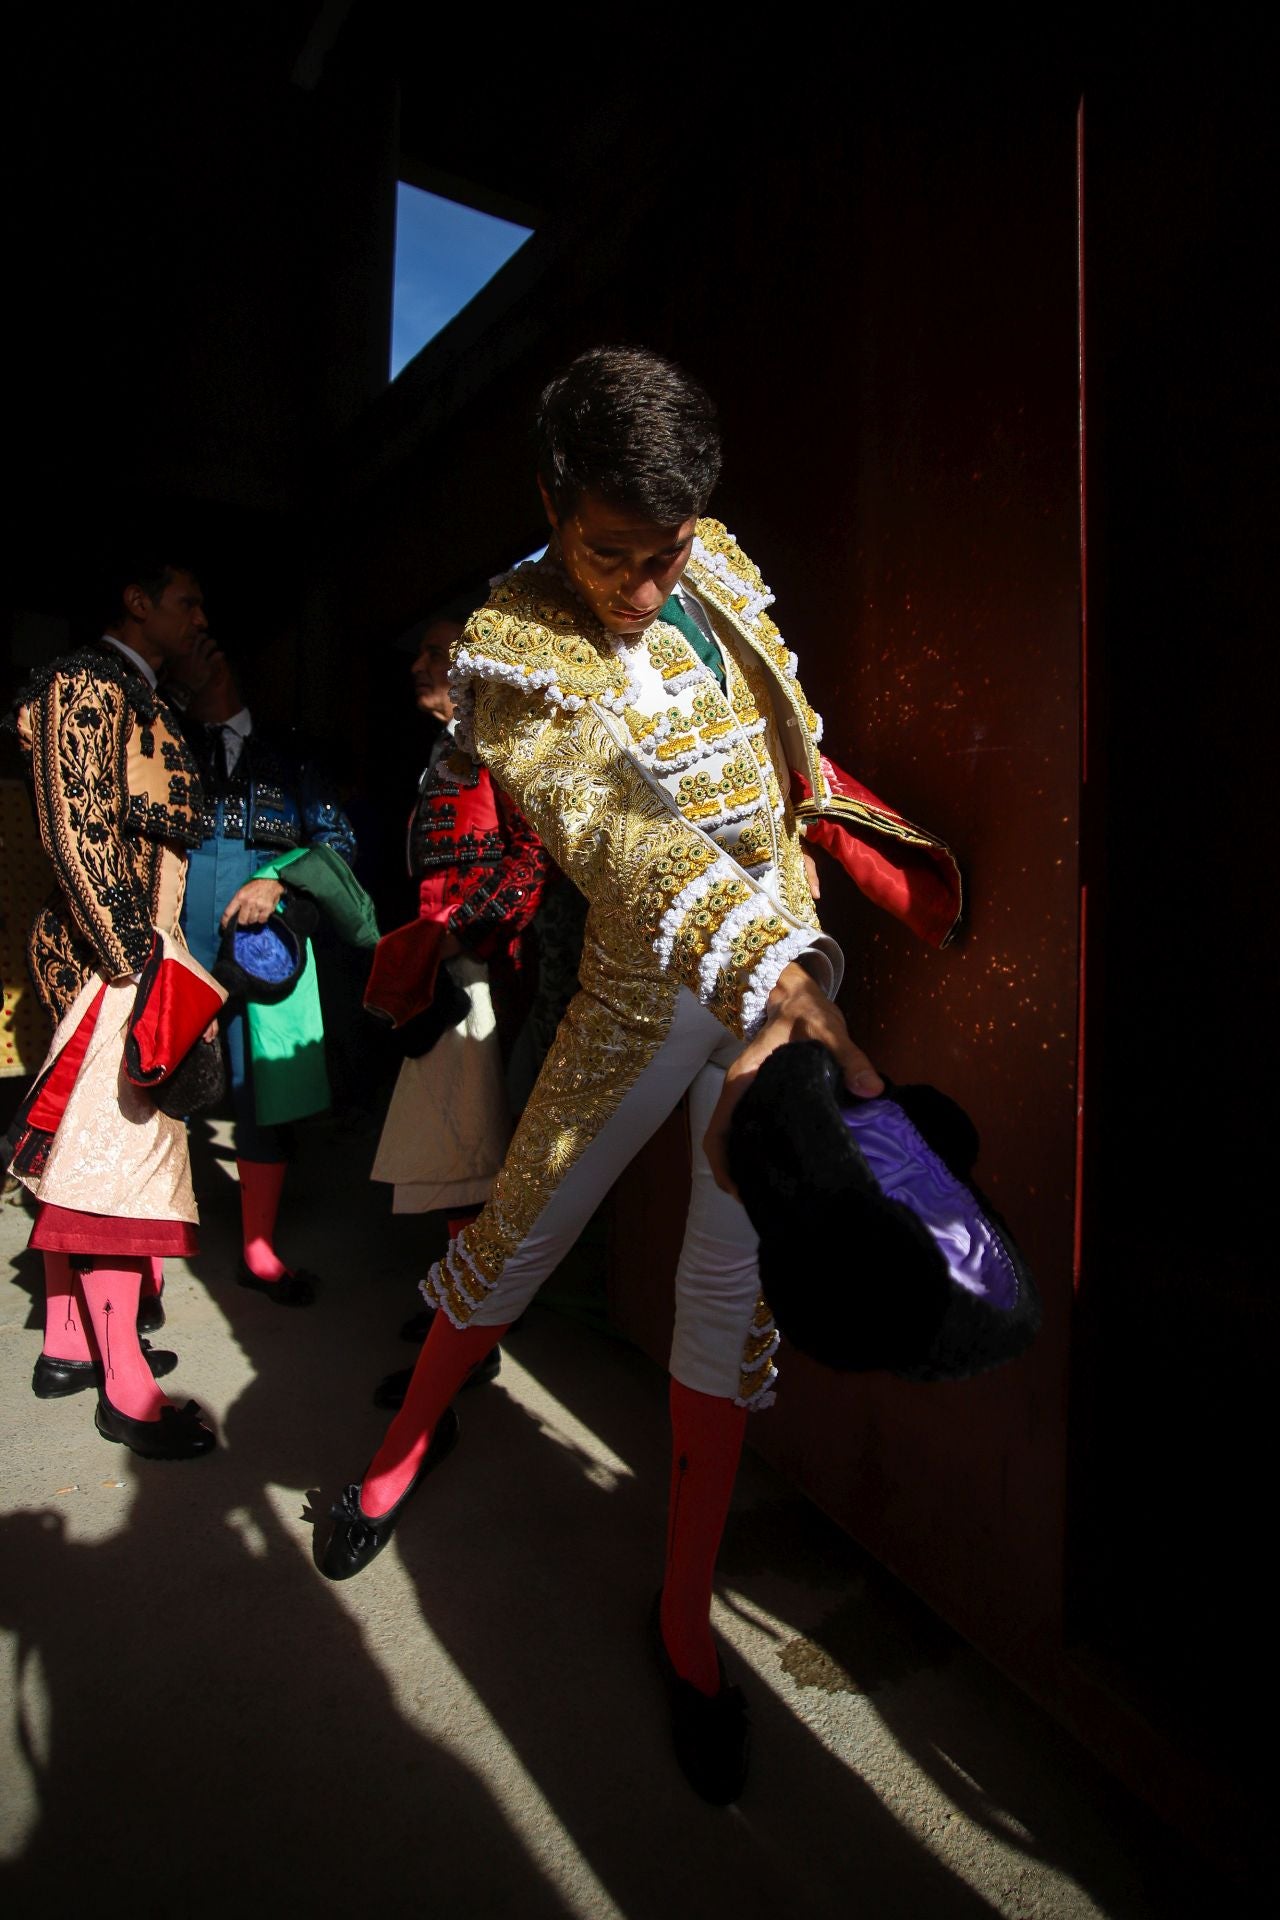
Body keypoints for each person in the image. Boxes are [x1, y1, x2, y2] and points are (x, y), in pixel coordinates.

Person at [319, 348, 961, 1801]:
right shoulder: (513, 639)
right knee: (522, 1235)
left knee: (726, 1298)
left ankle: (684, 1620)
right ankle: (398, 1452)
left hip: (782, 979)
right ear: (552, 506)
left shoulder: (713, 560)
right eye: (615, 554)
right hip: (647, 995)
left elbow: (778, 749)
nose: (650, 585)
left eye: (668, 548)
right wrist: (785, 979)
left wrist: (813, 909)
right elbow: (623, 836)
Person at [5, 559, 221, 1459]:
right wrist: (134, 964)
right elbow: (77, 826)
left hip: (126, 946)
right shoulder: (86, 683)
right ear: (135, 602)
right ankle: (125, 1390)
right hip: (112, 950)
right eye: (187, 601)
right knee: (113, 1167)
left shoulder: (143, 695)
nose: (200, 617)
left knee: (91, 1150)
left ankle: (66, 1342)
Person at [368, 612, 549, 1402]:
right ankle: (462, 1304)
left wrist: (462, 939)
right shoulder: (447, 754)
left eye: (436, 652)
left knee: (476, 1150)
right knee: (459, 1145)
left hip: (486, 972)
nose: (418, 664)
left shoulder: (500, 745)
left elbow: (534, 856)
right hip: (449, 969)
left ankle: (472, 1324)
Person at [173, 639, 358, 1305]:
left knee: (259, 1089)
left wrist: (276, 879)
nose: (171, 666)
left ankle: (257, 1249)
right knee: (164, 1079)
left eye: (184, 656)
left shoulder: (293, 751)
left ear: (217, 660)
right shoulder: (167, 743)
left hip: (260, 942)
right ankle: (155, 1257)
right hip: (177, 935)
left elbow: (337, 842)